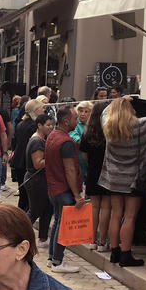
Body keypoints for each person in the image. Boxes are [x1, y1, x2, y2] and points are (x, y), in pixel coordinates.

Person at [100, 96, 146, 267]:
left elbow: (105, 112)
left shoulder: (107, 125)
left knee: (115, 214)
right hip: (134, 179)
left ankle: (115, 252)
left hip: (112, 178)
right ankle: (126, 254)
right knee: (130, 217)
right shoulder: (142, 125)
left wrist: (118, 100)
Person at [44, 105, 84, 273]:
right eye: (75, 118)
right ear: (67, 121)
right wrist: (77, 195)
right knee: (63, 225)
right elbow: (70, 170)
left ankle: (52, 258)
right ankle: (57, 261)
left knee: (58, 222)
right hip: (63, 190)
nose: (78, 120)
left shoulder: (52, 135)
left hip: (53, 188)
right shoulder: (66, 142)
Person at [79, 101, 111, 252]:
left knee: (94, 206)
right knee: (106, 207)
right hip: (107, 171)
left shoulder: (88, 132)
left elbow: (84, 154)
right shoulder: (109, 131)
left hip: (92, 171)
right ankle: (102, 241)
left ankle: (91, 239)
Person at [24, 113, 54, 246]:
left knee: (47, 208)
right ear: (39, 126)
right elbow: (38, 164)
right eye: (48, 125)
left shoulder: (41, 139)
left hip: (42, 181)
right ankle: (18, 231)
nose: (50, 127)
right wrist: (54, 158)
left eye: (51, 124)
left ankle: (43, 238)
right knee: (35, 210)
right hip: (36, 181)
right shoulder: (37, 141)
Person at [11, 99, 45, 213]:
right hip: (26, 162)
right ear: (35, 110)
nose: (44, 110)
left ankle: (19, 217)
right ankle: (22, 220)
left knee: (23, 195)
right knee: (27, 197)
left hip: (19, 160)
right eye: (41, 108)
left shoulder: (21, 123)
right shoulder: (33, 126)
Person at [70, 100, 92, 180]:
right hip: (78, 158)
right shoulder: (75, 123)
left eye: (86, 111)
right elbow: (75, 138)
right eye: (80, 111)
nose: (83, 114)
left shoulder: (93, 124)